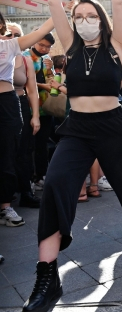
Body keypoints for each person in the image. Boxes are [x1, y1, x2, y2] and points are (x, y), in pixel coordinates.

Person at [23, 0, 122, 312]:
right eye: (78, 16)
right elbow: (53, 1)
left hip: (113, 125)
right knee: (56, 186)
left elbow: (117, 1)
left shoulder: (115, 46)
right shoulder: (70, 43)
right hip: (77, 130)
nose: (82, 21)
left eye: (89, 16)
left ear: (101, 20)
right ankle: (46, 278)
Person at [0, 15, 52, 228]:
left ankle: (5, 206)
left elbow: (41, 32)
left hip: (7, 103)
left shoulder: (11, 45)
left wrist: (57, 6)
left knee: (8, 155)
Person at [4, 23, 42, 209]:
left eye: (17, 34)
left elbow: (32, 91)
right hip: (4, 105)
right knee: (6, 153)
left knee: (25, 152)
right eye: (9, 34)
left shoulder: (26, 60)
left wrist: (35, 116)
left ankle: (26, 192)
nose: (13, 37)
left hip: (20, 105)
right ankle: (7, 195)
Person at [22, 33, 56, 191]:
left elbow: (53, 81)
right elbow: (25, 81)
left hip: (46, 108)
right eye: (42, 45)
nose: (44, 48)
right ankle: (28, 178)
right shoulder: (25, 56)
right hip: (28, 107)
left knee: (43, 144)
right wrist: (44, 86)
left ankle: (41, 176)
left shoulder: (46, 58)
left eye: (48, 46)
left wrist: (51, 71)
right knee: (29, 145)